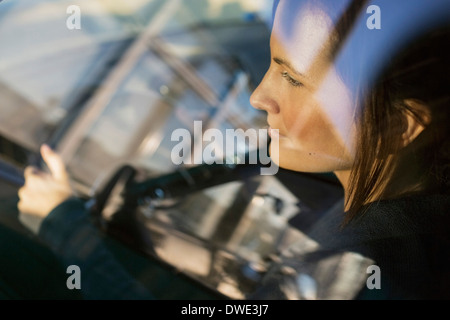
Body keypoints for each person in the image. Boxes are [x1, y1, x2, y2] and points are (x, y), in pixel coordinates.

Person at [17, 0, 450, 300]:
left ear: (397, 126)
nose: (259, 96)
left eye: (293, 79)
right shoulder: (408, 216)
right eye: (270, 65)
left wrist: (65, 226)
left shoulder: (361, 273)